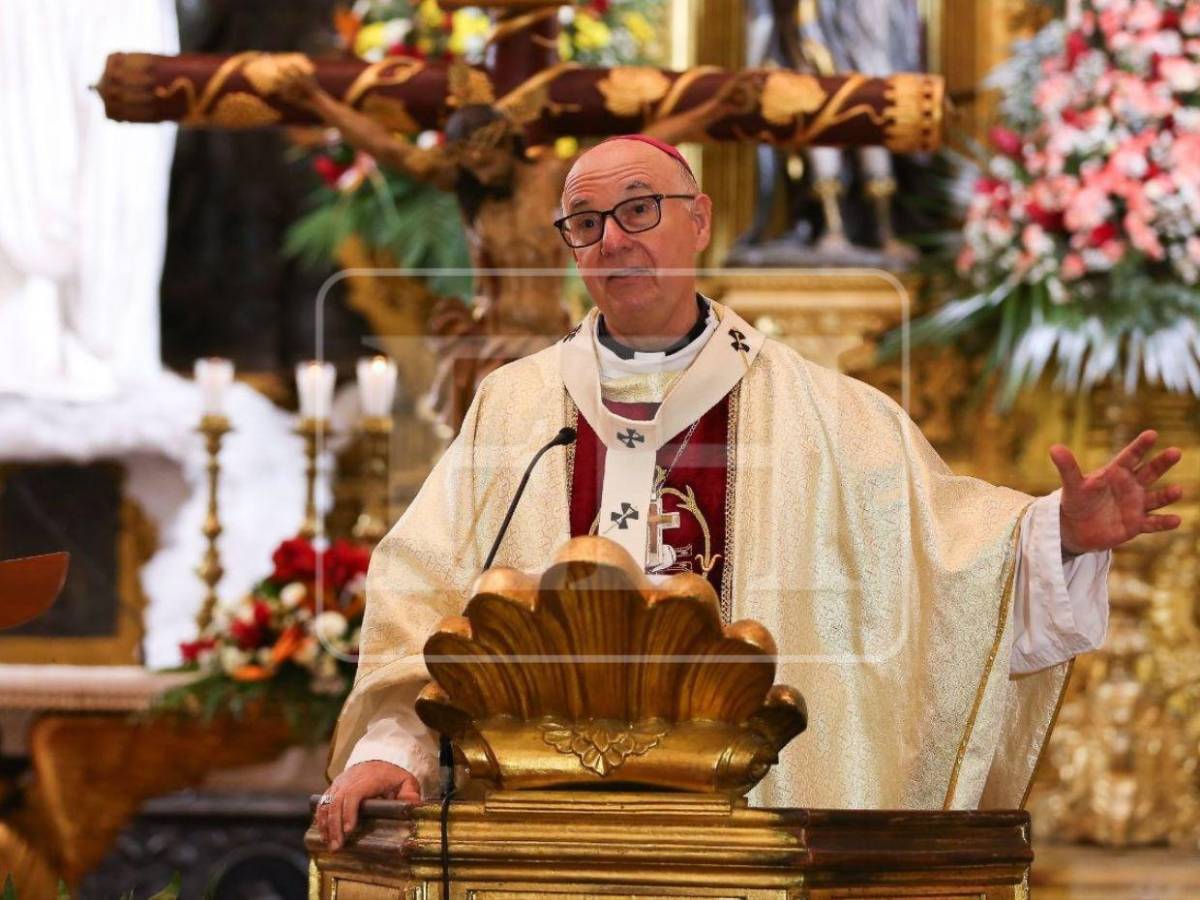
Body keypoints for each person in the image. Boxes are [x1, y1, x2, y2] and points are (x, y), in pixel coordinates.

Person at [312, 135, 1184, 850]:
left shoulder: (827, 411)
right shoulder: (515, 408)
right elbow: (422, 595)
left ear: (701, 222)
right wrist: (394, 750)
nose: (615, 239)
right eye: (585, 223)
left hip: (749, 837)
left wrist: (1056, 534)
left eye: (640, 209)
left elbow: (943, 553)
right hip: (539, 834)